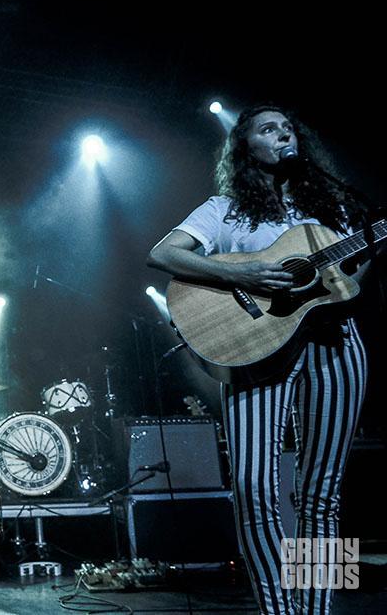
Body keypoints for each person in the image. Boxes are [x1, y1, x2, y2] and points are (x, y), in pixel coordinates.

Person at [148, 105, 370, 614]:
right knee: (251, 487)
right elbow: (163, 253)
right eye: (269, 129)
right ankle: (278, 609)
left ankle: (316, 608)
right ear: (245, 146)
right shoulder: (224, 209)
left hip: (335, 341)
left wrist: (351, 275)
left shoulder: (331, 206)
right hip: (253, 348)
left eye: (289, 128)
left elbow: (351, 280)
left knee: (322, 494)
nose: (284, 135)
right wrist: (241, 274)